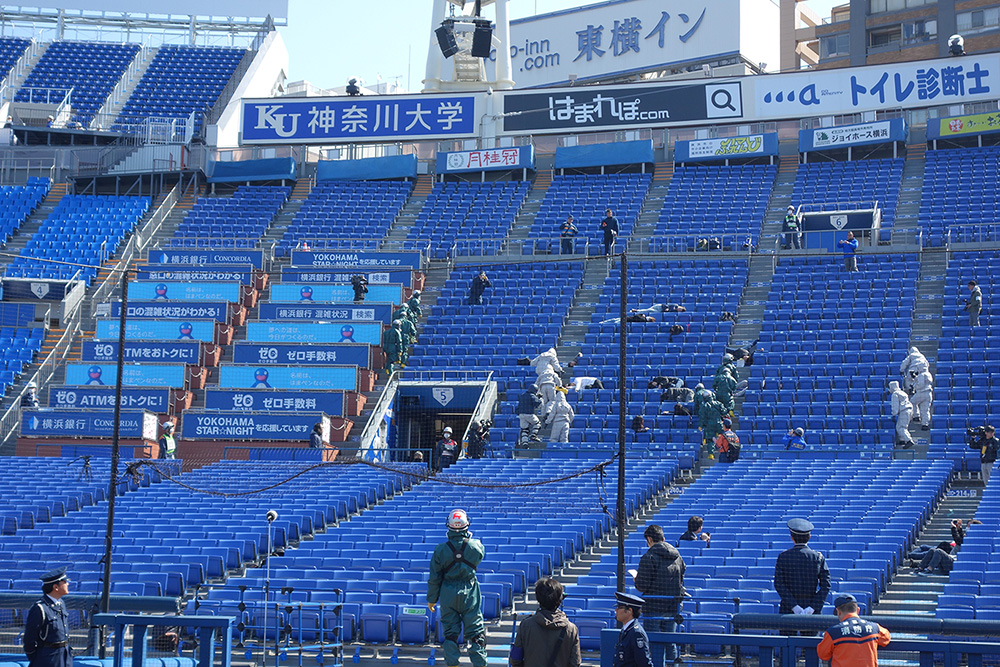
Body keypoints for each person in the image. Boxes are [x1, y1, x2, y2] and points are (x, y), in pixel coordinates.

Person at [427, 510, 487, 667]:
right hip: (470, 591)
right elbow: (479, 556)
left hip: (448, 592)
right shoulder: (476, 546)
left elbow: (434, 577)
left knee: (451, 634)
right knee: (476, 634)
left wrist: (431, 600)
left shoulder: (440, 550)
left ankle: (453, 664)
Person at [633, 525, 685, 666]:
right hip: (673, 606)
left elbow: (642, 585)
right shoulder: (677, 556)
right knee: (670, 642)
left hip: (654, 606)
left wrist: (636, 579)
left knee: (655, 643)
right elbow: (681, 578)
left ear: (649, 539)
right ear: (663, 538)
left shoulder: (648, 557)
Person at [509, 577, 581, 667]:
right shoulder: (571, 629)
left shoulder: (526, 625)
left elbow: (515, 660)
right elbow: (575, 662)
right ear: (560, 600)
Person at [774, 518, 831, 617]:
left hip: (788, 610)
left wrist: (794, 606)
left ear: (792, 537)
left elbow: (779, 584)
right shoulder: (818, 557)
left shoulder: (783, 556)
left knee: (787, 633)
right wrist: (812, 607)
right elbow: (826, 585)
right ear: (809, 536)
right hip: (812, 611)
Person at [816, 594, 890, 667]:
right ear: (858, 610)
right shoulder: (874, 627)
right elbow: (886, 638)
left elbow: (823, 655)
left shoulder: (832, 632)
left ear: (839, 612)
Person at [24, 566, 73, 667]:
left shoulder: (61, 603)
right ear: (56, 587)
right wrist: (37, 659)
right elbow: (30, 639)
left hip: (64, 657)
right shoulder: (40, 608)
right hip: (47, 659)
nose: (67, 584)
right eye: (64, 581)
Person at [612, 592, 652, 667]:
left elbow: (643, 662)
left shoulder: (636, 633)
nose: (616, 610)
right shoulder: (626, 629)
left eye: (620, 608)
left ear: (629, 611)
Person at [889, 381, 915, 449]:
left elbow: (895, 406)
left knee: (900, 427)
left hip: (904, 411)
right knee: (903, 426)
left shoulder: (895, 394)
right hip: (909, 410)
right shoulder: (903, 393)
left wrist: (894, 414)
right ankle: (902, 440)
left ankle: (909, 440)